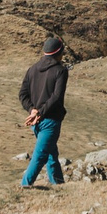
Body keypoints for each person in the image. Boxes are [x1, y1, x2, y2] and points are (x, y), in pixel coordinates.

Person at [18, 35, 68, 188]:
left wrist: (32, 110)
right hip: (50, 120)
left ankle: (58, 184)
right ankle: (24, 186)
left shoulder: (32, 69)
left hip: (36, 121)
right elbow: (56, 97)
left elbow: (22, 94)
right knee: (41, 155)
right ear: (58, 53)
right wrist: (39, 112)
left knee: (51, 152)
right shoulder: (61, 71)